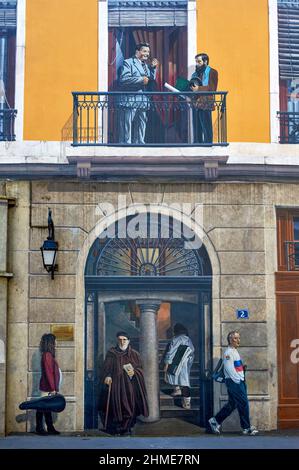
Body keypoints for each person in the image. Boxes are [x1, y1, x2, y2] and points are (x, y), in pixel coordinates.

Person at [208, 330, 259, 436]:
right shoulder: (228, 353)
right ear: (230, 340)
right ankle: (246, 427)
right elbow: (229, 369)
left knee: (232, 404)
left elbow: (236, 367)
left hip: (237, 381)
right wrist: (238, 380)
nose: (238, 340)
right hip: (235, 382)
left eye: (238, 338)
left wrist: (241, 374)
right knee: (243, 403)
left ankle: (215, 421)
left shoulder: (234, 351)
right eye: (235, 338)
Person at [100, 331, 149, 435]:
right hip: (115, 385)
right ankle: (118, 428)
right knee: (116, 406)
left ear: (128, 341)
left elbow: (140, 369)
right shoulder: (112, 353)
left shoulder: (135, 354)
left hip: (129, 386)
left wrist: (134, 372)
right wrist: (107, 376)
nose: (122, 342)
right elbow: (106, 368)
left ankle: (126, 427)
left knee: (129, 406)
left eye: (124, 340)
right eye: (120, 340)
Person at [118, 43, 159, 144]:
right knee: (127, 124)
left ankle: (140, 143)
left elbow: (149, 80)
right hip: (130, 99)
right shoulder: (128, 62)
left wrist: (153, 69)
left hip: (143, 99)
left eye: (148, 52)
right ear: (137, 52)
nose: (147, 54)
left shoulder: (146, 66)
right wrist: (140, 80)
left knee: (142, 123)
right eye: (144, 51)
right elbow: (124, 79)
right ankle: (125, 144)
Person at [163, 323, 195, 410]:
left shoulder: (176, 339)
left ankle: (186, 402)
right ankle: (180, 393)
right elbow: (192, 351)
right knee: (182, 380)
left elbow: (171, 352)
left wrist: (167, 363)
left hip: (177, 362)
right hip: (185, 363)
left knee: (179, 379)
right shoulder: (188, 339)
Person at [36, 333, 61, 435]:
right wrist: (52, 388)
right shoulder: (47, 355)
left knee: (46, 408)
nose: (56, 343)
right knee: (42, 408)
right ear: (50, 342)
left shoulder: (48, 355)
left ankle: (49, 428)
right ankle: (40, 428)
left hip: (48, 386)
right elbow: (49, 373)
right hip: (47, 387)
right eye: (55, 341)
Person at [190, 53, 218, 144]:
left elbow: (212, 88)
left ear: (205, 62)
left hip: (206, 103)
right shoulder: (195, 74)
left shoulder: (212, 72)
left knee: (206, 128)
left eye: (199, 61)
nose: (197, 64)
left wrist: (199, 89)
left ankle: (208, 146)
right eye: (196, 62)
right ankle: (197, 145)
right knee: (197, 128)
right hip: (196, 104)